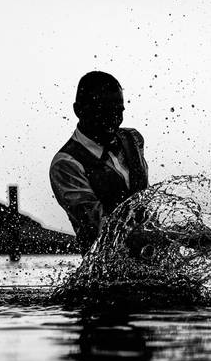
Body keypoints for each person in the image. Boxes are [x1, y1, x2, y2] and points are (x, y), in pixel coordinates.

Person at [50, 71, 149, 252]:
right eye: (102, 111)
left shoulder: (133, 139)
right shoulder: (66, 165)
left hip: (153, 261)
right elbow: (102, 228)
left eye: (118, 111)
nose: (112, 119)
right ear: (78, 110)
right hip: (105, 273)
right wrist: (172, 237)